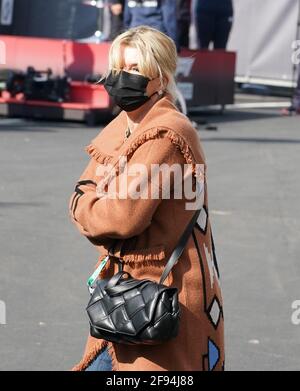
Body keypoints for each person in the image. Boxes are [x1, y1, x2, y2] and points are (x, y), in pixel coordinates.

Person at [68, 25, 224, 371]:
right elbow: (85, 189)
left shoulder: (166, 133)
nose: (123, 78)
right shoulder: (125, 126)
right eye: (119, 68)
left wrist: (86, 204)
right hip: (126, 291)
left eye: (135, 69)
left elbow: (120, 217)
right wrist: (88, 201)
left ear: (161, 75)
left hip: (160, 293)